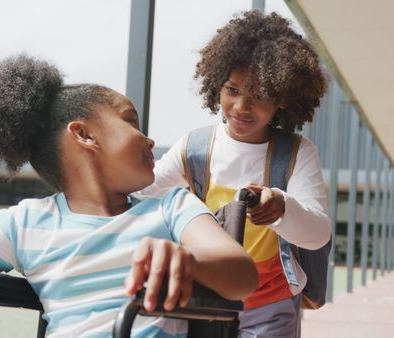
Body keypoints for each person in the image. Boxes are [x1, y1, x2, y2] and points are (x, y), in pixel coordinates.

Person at [0, 54, 258, 338]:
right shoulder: (24, 223)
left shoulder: (172, 207)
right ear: (85, 135)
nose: (148, 139)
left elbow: (241, 274)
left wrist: (188, 261)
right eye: (130, 121)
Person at [140, 10, 331, 337]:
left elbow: (318, 233)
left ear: (282, 98)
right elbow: (141, 195)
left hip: (271, 302)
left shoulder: (297, 152)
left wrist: (281, 208)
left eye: (258, 95)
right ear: (217, 86)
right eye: (232, 89)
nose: (242, 106)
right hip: (207, 298)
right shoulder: (195, 147)